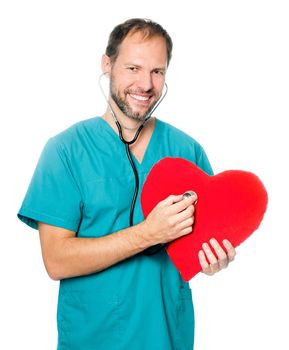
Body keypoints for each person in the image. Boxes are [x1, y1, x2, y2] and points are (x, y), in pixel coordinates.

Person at [18, 18, 236, 350]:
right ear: (108, 64)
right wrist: (148, 234)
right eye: (133, 68)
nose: (146, 84)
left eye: (157, 71)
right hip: (91, 339)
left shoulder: (187, 151)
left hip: (167, 338)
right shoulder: (65, 151)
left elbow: (201, 247)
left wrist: (211, 260)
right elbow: (56, 260)